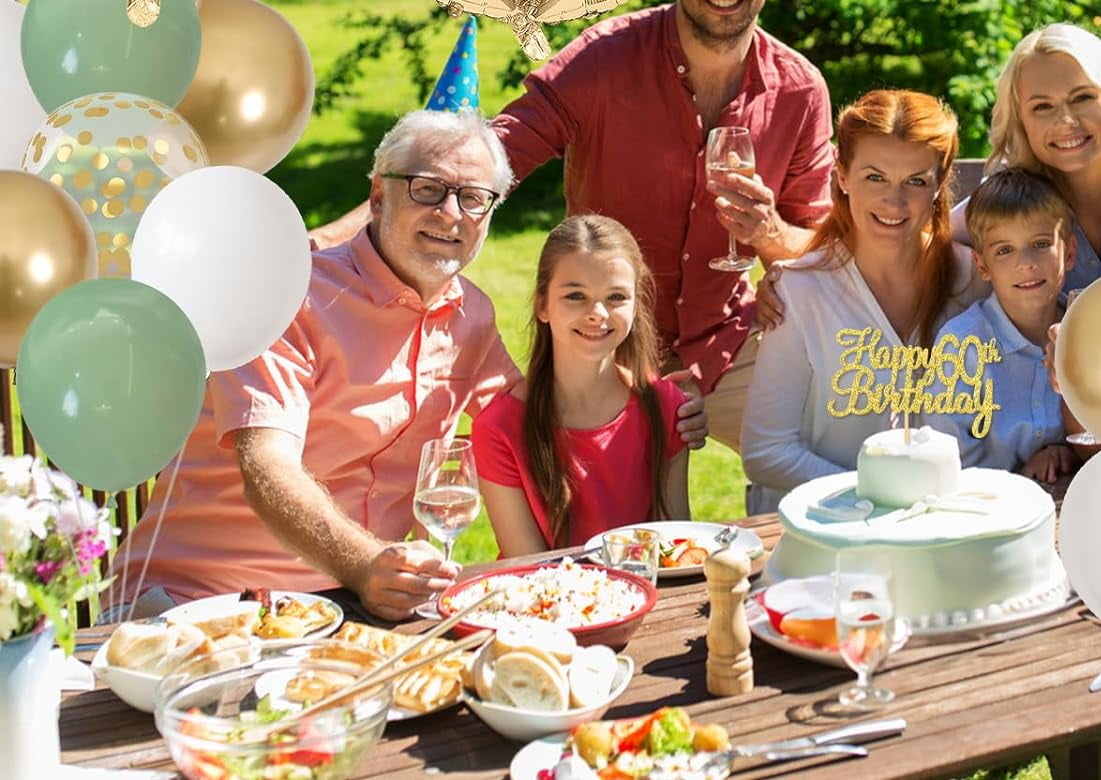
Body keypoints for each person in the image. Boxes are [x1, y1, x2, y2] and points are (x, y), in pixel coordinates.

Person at [110, 109, 705, 622]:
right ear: (376, 196)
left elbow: (547, 407)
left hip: (361, 608)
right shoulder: (286, 295)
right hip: (203, 603)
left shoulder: (468, 315)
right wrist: (365, 564)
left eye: (473, 198)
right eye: (427, 188)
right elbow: (267, 468)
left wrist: (661, 405)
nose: (451, 214)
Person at [311, 0, 835, 456]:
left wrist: (767, 232)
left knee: (827, 453)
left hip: (727, 345)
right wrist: (334, 235)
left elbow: (815, 246)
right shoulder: (604, 60)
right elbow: (488, 154)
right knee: (612, 530)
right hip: (602, 341)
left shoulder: (799, 89)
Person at [740, 90, 987, 514]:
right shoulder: (798, 291)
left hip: (936, 526)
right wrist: (876, 496)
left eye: (916, 181)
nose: (894, 202)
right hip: (820, 530)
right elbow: (766, 451)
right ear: (842, 175)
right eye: (875, 177)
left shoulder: (974, 281)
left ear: (941, 185)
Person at [473, 215, 691, 555]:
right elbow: (526, 563)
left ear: (636, 305)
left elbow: (675, 550)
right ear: (542, 305)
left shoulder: (666, 406)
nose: (598, 313)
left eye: (616, 297)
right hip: (545, 599)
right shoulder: (498, 428)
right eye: (576, 296)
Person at [956, 23, 1101, 289]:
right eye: (1042, 106)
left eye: (1082, 98)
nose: (1066, 120)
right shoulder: (1005, 198)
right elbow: (934, 240)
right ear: (1021, 121)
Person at [928, 169, 1079, 484]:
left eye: (1040, 243)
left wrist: (1063, 451)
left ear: (1069, 253)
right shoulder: (961, 346)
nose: (1025, 262)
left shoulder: (1088, 331)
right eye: (1004, 250)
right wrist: (1019, 479)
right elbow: (950, 459)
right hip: (987, 516)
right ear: (983, 266)